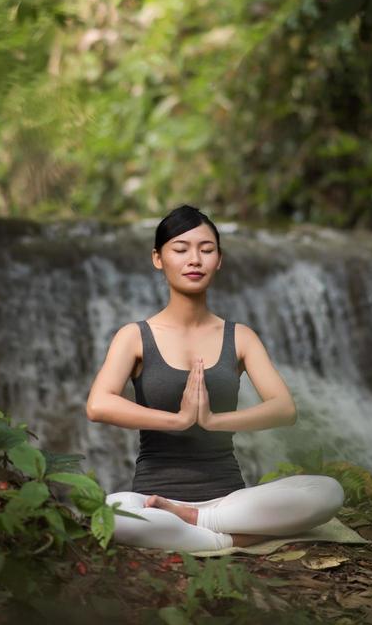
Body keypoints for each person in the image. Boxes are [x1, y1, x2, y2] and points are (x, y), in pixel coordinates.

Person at [85, 204, 345, 552]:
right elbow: (98, 404)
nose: (194, 259)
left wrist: (213, 420)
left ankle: (202, 526)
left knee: (328, 491)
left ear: (219, 260)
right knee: (115, 513)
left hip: (230, 503)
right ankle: (227, 538)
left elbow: (284, 409)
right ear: (158, 259)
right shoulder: (134, 336)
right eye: (180, 249)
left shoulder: (240, 337)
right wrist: (178, 420)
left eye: (206, 250)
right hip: (154, 501)